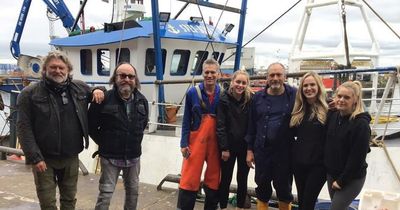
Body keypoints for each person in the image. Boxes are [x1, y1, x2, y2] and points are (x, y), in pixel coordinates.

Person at [17, 50, 104, 210]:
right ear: (45, 70)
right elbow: (24, 127)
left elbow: (95, 91)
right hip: (44, 159)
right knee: (48, 203)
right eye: (53, 67)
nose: (58, 71)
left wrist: (98, 90)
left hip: (71, 157)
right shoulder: (29, 93)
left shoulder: (79, 88)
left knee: (69, 200)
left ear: (68, 70)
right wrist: (35, 158)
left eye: (61, 68)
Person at [88, 62, 148, 210]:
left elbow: (143, 124)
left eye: (130, 76)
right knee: (106, 194)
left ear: (135, 80)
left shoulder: (142, 101)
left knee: (133, 192)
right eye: (122, 75)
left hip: (133, 157)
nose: (126, 79)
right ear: (115, 78)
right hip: (110, 157)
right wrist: (105, 143)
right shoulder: (104, 99)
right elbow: (91, 125)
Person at [245, 62, 296, 210]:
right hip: (262, 151)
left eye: (278, 75)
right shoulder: (258, 98)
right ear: (267, 78)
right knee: (262, 188)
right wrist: (249, 150)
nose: (275, 78)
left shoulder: (294, 95)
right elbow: (251, 125)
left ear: (284, 76)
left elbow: (314, 101)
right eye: (272, 75)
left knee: (284, 190)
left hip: (285, 152)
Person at [177, 58, 221, 210]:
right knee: (189, 177)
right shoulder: (192, 93)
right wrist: (183, 144)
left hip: (215, 141)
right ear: (202, 73)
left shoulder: (222, 93)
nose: (210, 75)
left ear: (218, 74)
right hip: (196, 141)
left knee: (214, 177)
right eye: (207, 72)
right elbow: (186, 120)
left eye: (213, 72)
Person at [324, 81, 371, 210]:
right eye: (339, 96)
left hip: (351, 178)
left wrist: (341, 181)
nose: (341, 100)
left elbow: (357, 158)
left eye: (346, 97)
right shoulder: (333, 116)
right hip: (333, 174)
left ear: (355, 100)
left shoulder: (361, 125)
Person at [289, 72, 328, 210]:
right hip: (299, 164)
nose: (308, 88)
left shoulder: (328, 110)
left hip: (318, 166)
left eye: (312, 84)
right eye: (305, 85)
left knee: (308, 203)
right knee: (302, 201)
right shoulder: (298, 110)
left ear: (319, 87)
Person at [217, 70, 252, 210]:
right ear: (232, 82)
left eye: (244, 83)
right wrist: (224, 148)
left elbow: (252, 125)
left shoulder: (250, 100)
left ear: (247, 85)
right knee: (225, 178)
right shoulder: (223, 99)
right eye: (238, 82)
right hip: (229, 147)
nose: (240, 85)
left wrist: (250, 148)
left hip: (244, 146)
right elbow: (221, 125)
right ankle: (223, 206)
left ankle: (240, 207)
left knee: (242, 179)